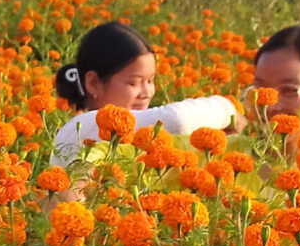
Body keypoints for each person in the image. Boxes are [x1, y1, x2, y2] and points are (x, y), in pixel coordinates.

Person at [47, 21, 238, 167]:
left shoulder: (132, 137)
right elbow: (178, 120)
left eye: (151, 80)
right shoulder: (85, 127)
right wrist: (229, 110)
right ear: (94, 83)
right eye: (134, 83)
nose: (147, 92)